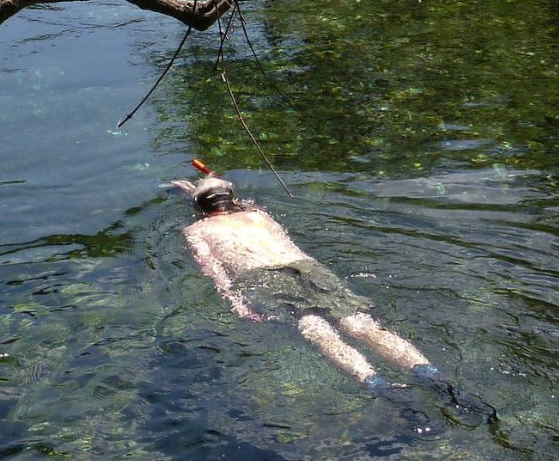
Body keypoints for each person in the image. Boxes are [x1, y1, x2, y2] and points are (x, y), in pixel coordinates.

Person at [171, 160, 494, 426]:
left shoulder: (197, 230)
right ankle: (435, 379)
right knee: (362, 325)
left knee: (318, 331)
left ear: (199, 207)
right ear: (231, 198)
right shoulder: (259, 215)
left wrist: (237, 302)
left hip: (265, 276)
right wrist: (210, 182)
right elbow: (235, 200)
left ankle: (380, 385)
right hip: (307, 267)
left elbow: (214, 271)